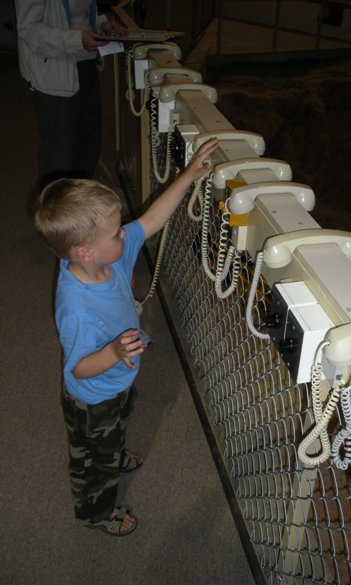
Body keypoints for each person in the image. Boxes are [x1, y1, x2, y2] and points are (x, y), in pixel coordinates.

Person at [32, 138, 219, 536]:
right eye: (115, 233)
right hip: (93, 396)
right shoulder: (76, 307)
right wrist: (115, 352)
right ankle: (97, 512)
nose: (124, 236)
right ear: (85, 252)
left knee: (118, 425)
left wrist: (187, 176)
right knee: (93, 461)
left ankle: (113, 450)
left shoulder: (107, 257)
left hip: (117, 382)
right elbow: (80, 368)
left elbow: (152, 221)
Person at [15, 0, 126, 188]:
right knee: (59, 155)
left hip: (85, 64)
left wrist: (100, 24)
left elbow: (80, 14)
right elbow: (29, 29)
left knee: (88, 147)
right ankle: (53, 212)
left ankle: (79, 210)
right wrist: (77, 40)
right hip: (53, 70)